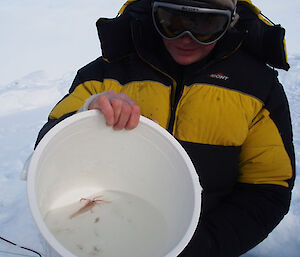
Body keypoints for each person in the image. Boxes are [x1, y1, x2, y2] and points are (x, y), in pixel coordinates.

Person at [35, 0, 295, 256]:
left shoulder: (259, 88)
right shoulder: (104, 73)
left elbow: (269, 188)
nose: (186, 37)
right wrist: (87, 116)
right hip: (99, 230)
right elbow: (46, 149)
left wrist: (199, 246)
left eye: (206, 24)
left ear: (230, 22)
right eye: (172, 21)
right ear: (153, 12)